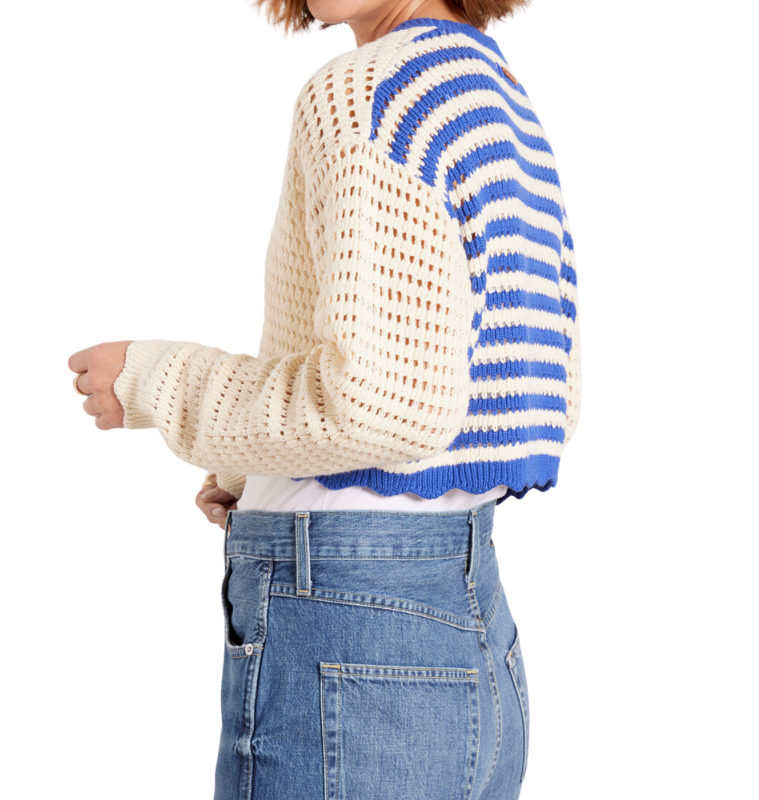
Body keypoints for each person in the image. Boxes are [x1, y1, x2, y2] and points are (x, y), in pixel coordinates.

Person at [68, 0, 581, 796]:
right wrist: (255, 463)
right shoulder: (493, 92)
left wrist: (157, 380)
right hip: (472, 633)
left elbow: (381, 404)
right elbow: (532, 397)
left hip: (345, 620)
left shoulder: (366, 91)